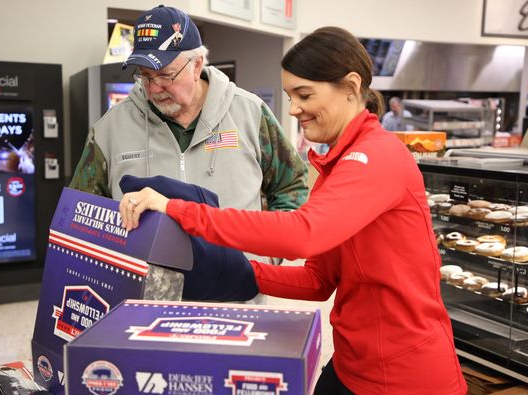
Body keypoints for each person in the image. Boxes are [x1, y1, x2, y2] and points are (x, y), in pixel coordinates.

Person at [120, 26, 467, 394]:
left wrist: (180, 210)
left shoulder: (379, 156)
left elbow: (304, 233)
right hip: (353, 364)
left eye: (304, 94)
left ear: (350, 87)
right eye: (289, 95)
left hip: (405, 376)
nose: (294, 108)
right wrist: (238, 272)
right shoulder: (336, 165)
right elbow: (319, 281)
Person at [69, 5, 309, 299]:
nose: (154, 88)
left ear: (197, 65)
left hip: (238, 300)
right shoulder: (109, 129)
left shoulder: (251, 113)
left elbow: (292, 187)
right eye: (144, 76)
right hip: (144, 305)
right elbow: (82, 215)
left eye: (166, 75)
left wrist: (266, 255)